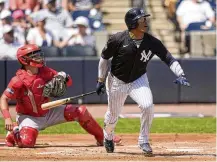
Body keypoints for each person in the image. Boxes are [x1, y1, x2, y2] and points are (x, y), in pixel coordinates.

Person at [96, 8, 190, 156]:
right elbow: (104, 58)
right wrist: (101, 80)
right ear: (133, 23)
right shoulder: (117, 39)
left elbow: (168, 58)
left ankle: (143, 140)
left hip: (138, 79)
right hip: (117, 81)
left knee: (147, 105)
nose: (145, 22)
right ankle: (108, 135)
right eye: (142, 19)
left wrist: (181, 74)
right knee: (112, 116)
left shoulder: (152, 42)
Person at [0, 44, 121, 148]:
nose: (39, 57)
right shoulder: (18, 80)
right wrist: (7, 118)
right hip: (29, 117)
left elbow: (68, 82)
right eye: (34, 55)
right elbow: (4, 98)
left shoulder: (45, 70)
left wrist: (64, 77)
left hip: (48, 111)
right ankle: (13, 133)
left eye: (38, 54)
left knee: (81, 111)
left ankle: (103, 138)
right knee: (27, 143)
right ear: (24, 60)